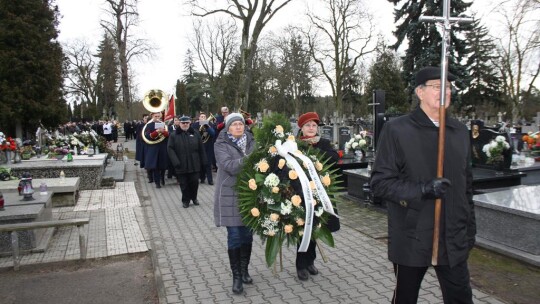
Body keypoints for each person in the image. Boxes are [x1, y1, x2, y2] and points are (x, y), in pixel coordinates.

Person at [370, 66, 476, 304]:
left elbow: (466, 185)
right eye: (437, 86)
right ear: (420, 92)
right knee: (406, 298)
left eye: (448, 87)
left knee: (461, 298)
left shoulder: (459, 131)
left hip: (453, 235)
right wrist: (422, 190)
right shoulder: (397, 130)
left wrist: (470, 229)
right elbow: (380, 183)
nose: (445, 92)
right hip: (413, 233)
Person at [213, 113, 256, 294]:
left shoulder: (252, 141)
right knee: (235, 236)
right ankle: (236, 277)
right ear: (228, 128)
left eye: (241, 124)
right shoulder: (220, 144)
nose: (239, 127)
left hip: (250, 194)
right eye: (234, 124)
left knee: (247, 235)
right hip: (230, 194)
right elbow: (229, 166)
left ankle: (244, 270)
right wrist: (253, 159)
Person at [295, 111, 339, 281]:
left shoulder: (324, 143)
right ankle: (301, 265)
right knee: (303, 229)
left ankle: (310, 261)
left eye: (314, 125)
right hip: (300, 194)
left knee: (317, 228)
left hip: (321, 193)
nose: (311, 128)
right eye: (308, 125)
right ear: (302, 128)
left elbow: (334, 158)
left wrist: (314, 158)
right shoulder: (295, 145)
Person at [167, 115, 207, 208]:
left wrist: (204, 161)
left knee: (194, 182)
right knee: (183, 184)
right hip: (181, 164)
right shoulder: (173, 135)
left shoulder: (196, 133)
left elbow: (201, 149)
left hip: (194, 163)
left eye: (187, 123)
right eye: (183, 123)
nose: (185, 124)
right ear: (179, 123)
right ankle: (186, 200)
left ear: (190, 123)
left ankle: (194, 198)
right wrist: (175, 162)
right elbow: (170, 149)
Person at [143, 111, 169, 189]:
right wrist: (156, 131)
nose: (157, 118)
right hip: (153, 147)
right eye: (156, 116)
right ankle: (157, 182)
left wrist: (163, 131)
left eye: (158, 116)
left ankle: (162, 179)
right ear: (152, 116)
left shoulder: (163, 124)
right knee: (156, 166)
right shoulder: (149, 125)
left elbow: (168, 135)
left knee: (163, 165)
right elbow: (148, 136)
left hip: (162, 147)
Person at [192, 112, 216, 185]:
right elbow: (193, 135)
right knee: (200, 164)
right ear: (199, 118)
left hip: (208, 147)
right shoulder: (195, 125)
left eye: (204, 117)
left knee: (208, 164)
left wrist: (207, 127)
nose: (203, 118)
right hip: (198, 147)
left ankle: (210, 180)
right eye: (201, 117)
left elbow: (213, 134)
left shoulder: (210, 124)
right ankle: (202, 178)